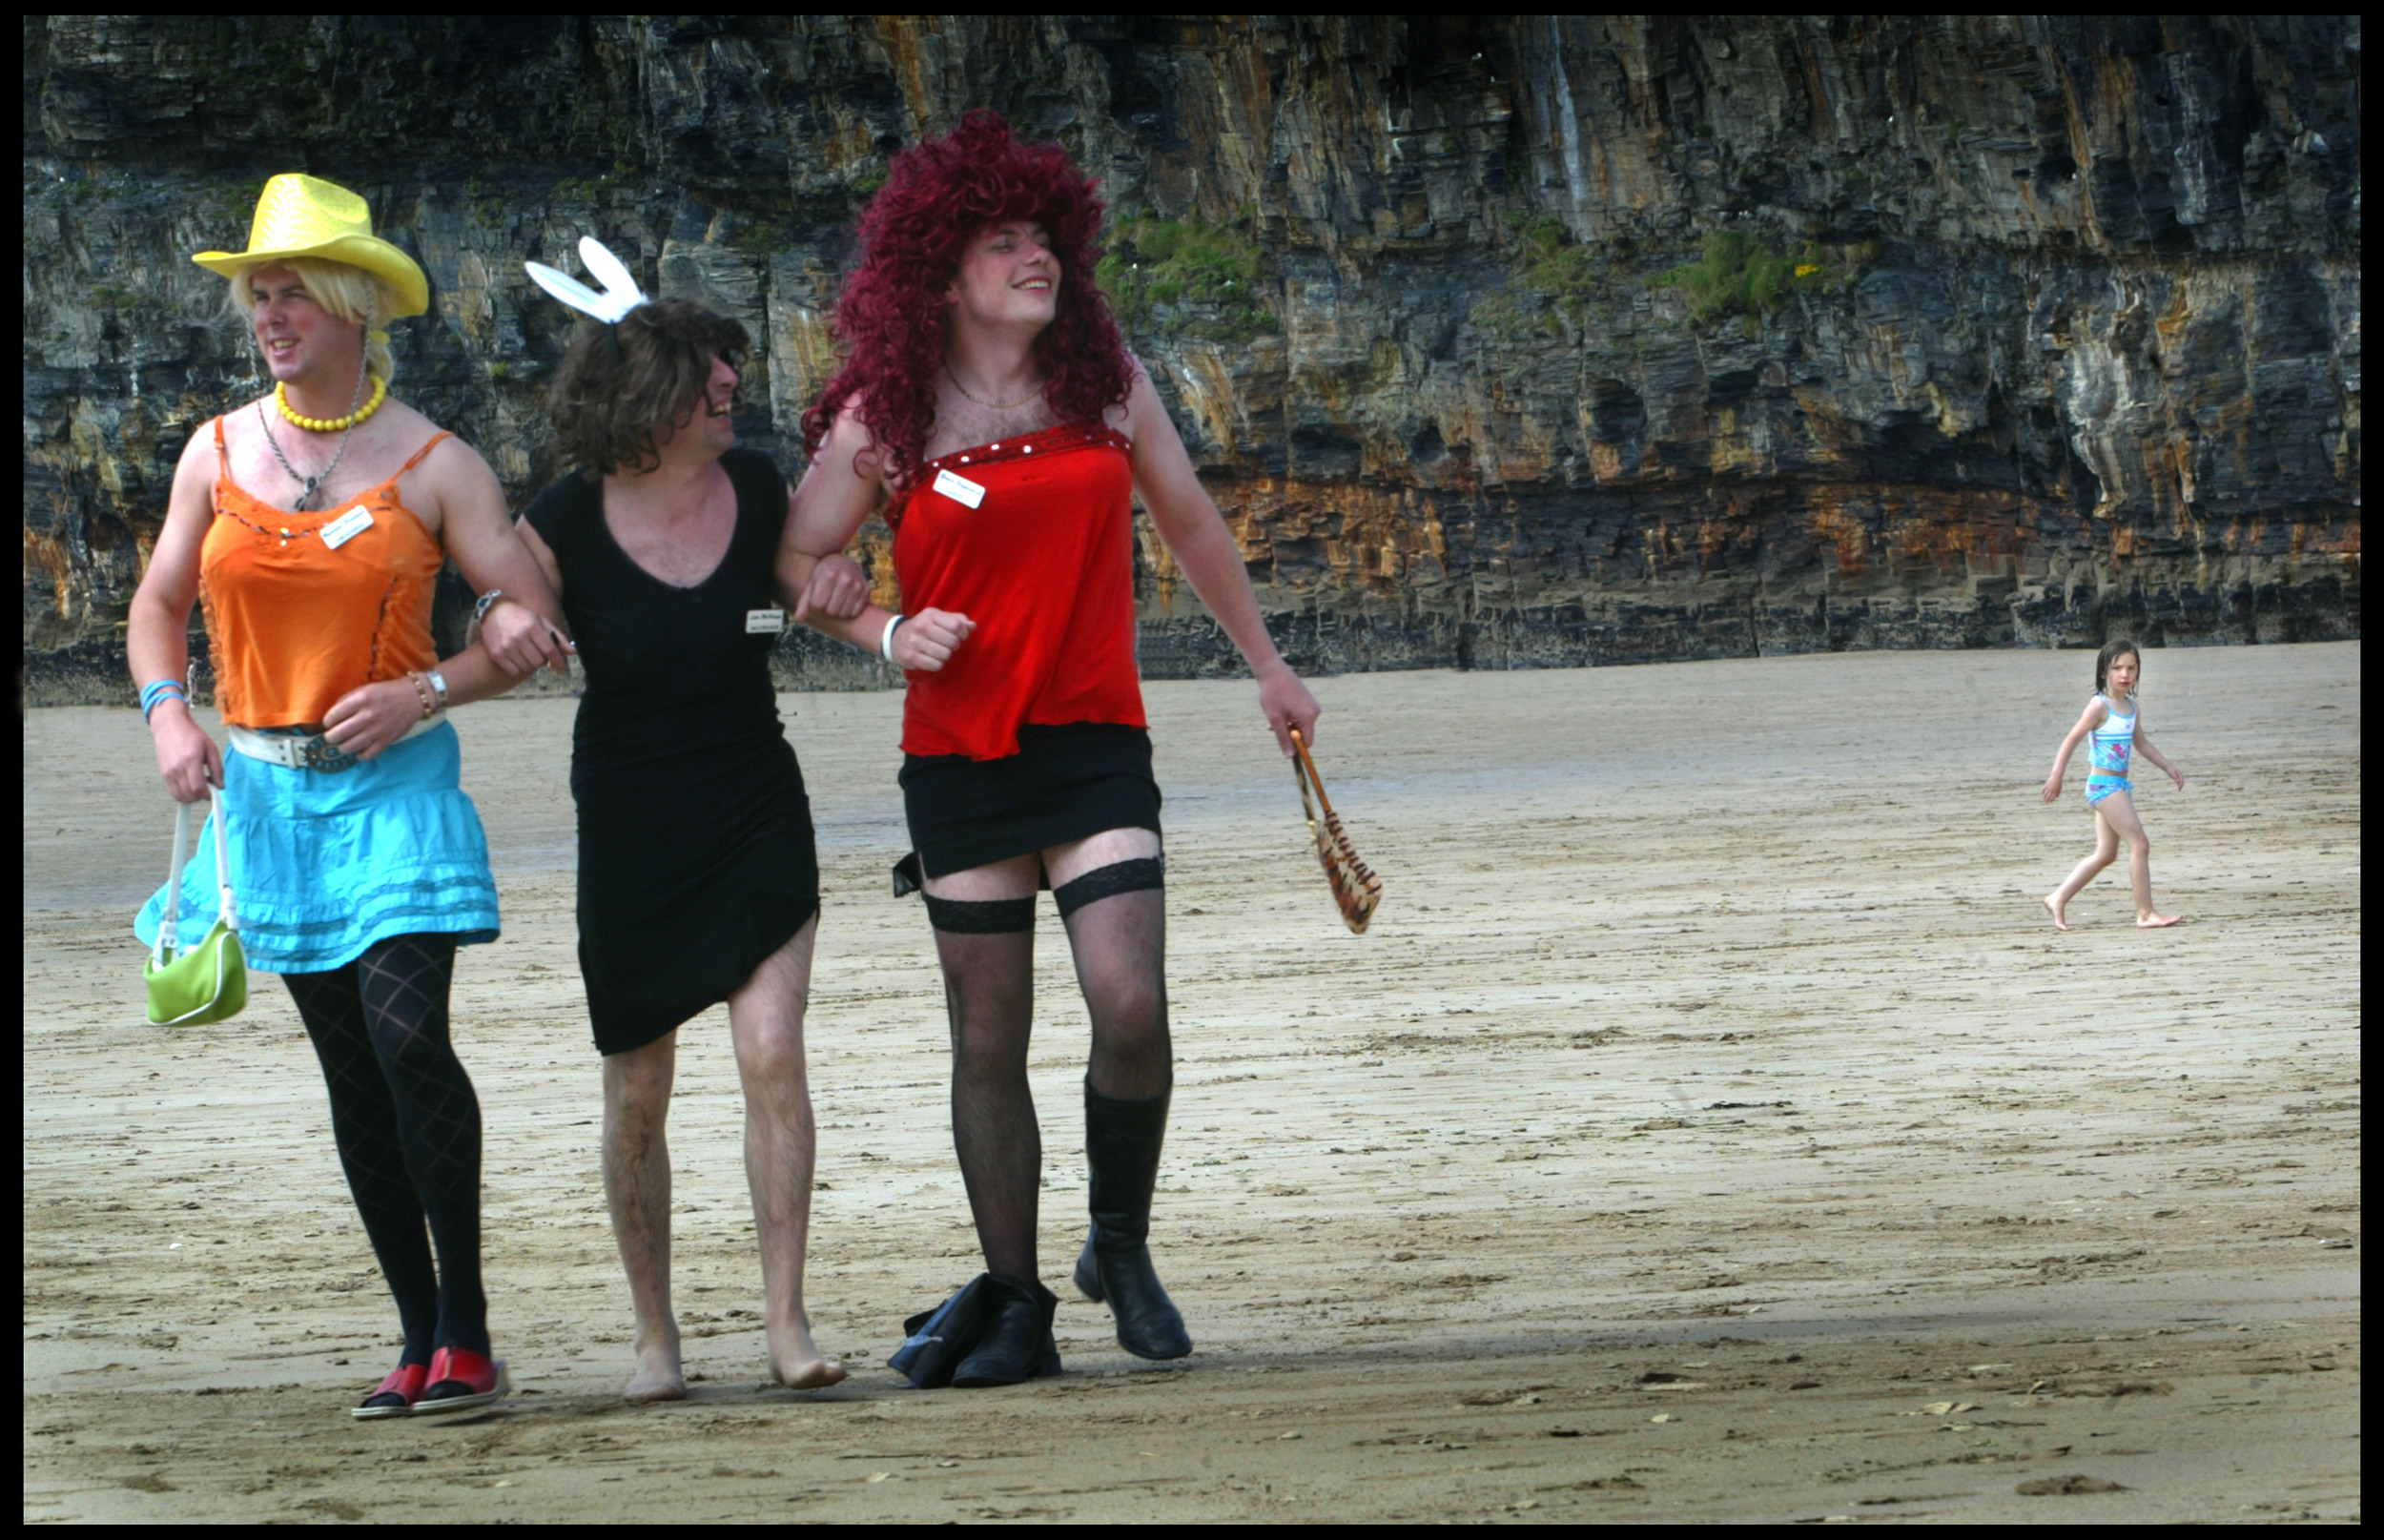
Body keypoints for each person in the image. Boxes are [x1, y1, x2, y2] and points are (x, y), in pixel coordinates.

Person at [782, 111, 1323, 1386]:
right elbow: (787, 567)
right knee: (989, 1038)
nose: (1039, 260)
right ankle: (1017, 1299)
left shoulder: (1106, 383)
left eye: (1046, 239)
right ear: (946, 270)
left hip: (1093, 738)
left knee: (1129, 1001)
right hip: (960, 756)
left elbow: (1191, 525)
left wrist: (1268, 664)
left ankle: (1120, 1243)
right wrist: (881, 626)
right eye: (1007, 242)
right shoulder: (886, 414)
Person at [127, 174, 574, 1418]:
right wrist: (172, 713)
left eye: (293, 294)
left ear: (355, 306)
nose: (271, 314)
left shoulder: (437, 462)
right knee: (352, 1071)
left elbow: (532, 619)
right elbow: (160, 605)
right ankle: (416, 1330)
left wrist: (428, 686)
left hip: (398, 789)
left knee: (408, 1032)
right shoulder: (213, 452)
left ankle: (470, 1326)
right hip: (264, 803)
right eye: (258, 294)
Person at [514, 269, 872, 1401]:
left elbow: (818, 591)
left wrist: (863, 600)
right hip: (627, 814)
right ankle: (654, 1336)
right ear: (649, 391)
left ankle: (785, 1324)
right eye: (710, 368)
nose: (733, 381)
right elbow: (491, 603)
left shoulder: (760, 487)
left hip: (751, 796)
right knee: (638, 1085)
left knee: (771, 1046)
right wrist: (495, 619)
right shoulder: (564, 517)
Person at [2042, 638, 2186, 930]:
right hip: (2103, 787)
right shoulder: (2099, 705)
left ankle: (2058, 897)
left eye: (2131, 668)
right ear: (2104, 672)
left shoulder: (2131, 707)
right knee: (2140, 844)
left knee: (2106, 854)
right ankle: (2145, 913)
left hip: (2118, 787)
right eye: (2117, 667)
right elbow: (2071, 740)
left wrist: (2168, 766)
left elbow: (2141, 744)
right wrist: (2056, 776)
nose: (2125, 674)